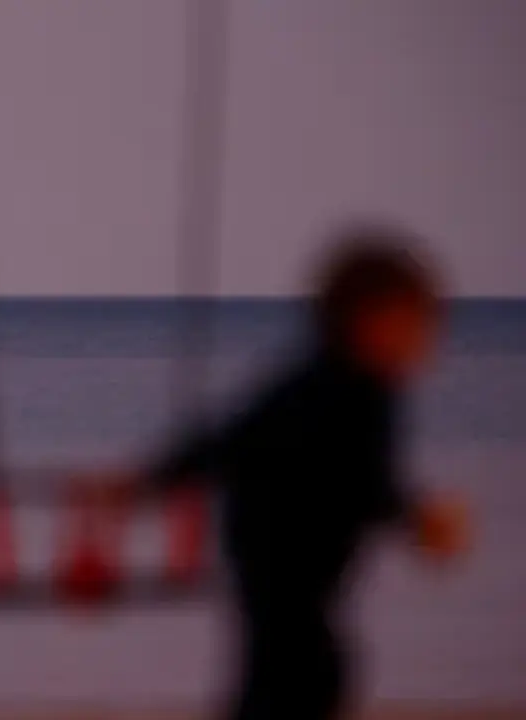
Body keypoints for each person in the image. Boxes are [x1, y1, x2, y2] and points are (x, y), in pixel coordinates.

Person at [89, 223, 469, 720]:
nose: (429, 340)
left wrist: (147, 480)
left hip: (267, 577)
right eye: (421, 322)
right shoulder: (361, 393)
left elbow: (222, 440)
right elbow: (365, 481)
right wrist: (420, 520)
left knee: (274, 683)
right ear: (374, 319)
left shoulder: (304, 381)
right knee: (306, 677)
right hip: (291, 584)